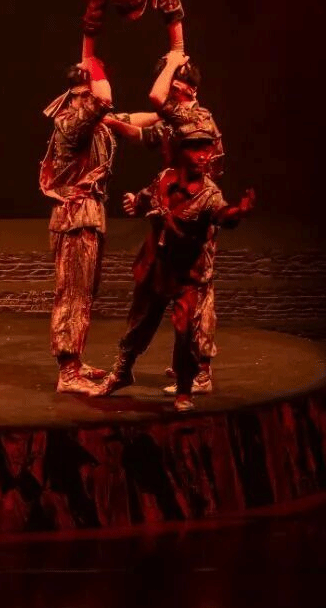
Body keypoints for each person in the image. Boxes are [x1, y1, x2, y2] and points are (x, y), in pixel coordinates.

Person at [92, 137, 255, 412]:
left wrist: (239, 212)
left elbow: (221, 214)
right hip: (156, 268)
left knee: (185, 330)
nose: (204, 156)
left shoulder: (208, 193)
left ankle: (184, 389)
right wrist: (135, 203)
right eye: (196, 150)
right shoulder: (165, 178)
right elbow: (146, 197)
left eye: (207, 151)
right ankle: (122, 372)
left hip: (185, 275)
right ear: (181, 153)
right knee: (138, 323)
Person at [39, 63, 118, 398]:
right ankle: (67, 371)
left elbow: (132, 120)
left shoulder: (96, 128)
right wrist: (95, 67)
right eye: (82, 97)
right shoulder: (71, 124)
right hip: (74, 215)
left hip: (89, 213)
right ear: (71, 99)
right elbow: (104, 100)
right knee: (72, 293)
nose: (88, 102)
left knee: (84, 293)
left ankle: (77, 360)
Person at [108, 51, 225, 178]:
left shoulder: (197, 117)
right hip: (178, 183)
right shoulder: (173, 120)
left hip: (197, 186)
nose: (167, 90)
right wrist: (112, 122)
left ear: (193, 90)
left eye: (174, 88)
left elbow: (156, 96)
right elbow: (143, 135)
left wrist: (172, 63)